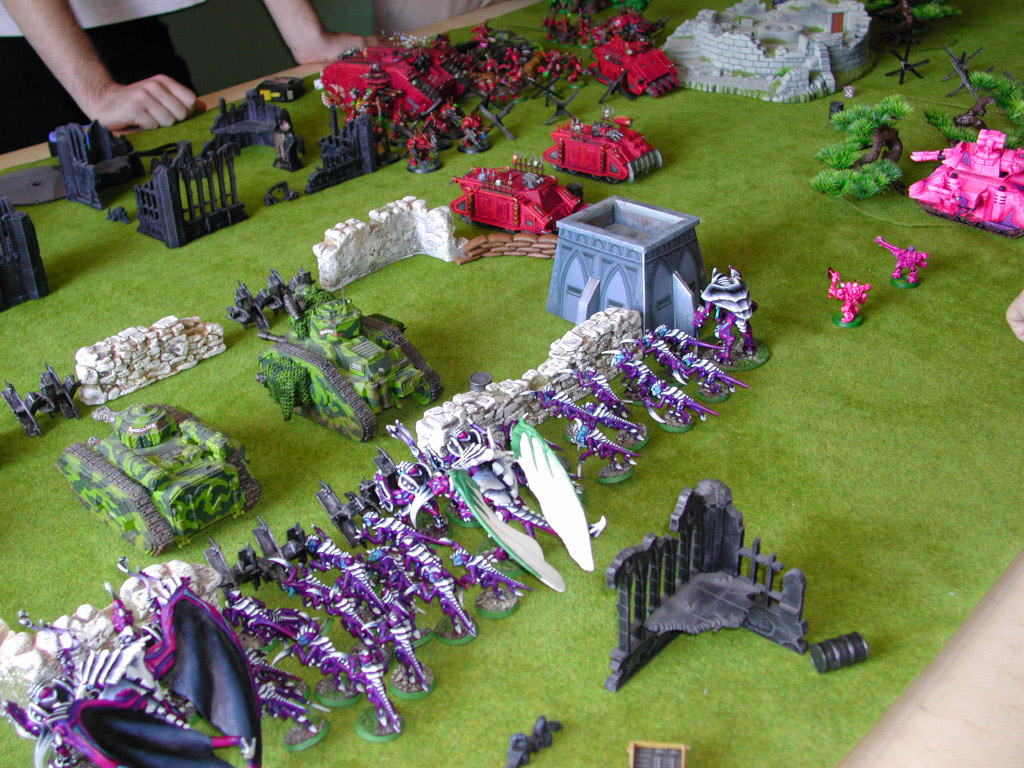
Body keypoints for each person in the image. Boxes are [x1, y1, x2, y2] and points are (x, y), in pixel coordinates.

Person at [0, 0, 493, 153]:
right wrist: (96, 91)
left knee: (176, 138)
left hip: (131, 31)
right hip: (31, 48)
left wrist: (308, 36)